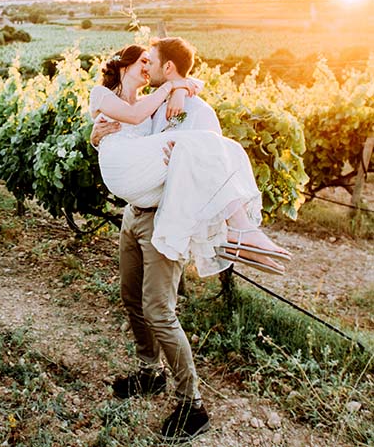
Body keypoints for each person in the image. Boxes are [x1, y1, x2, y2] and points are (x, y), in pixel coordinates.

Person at [88, 37, 290, 442]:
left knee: (159, 309)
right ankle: (150, 373)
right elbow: (119, 137)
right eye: (142, 63)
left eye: (153, 63)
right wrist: (97, 135)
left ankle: (192, 404)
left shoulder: (196, 110)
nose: (147, 70)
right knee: (131, 298)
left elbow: (209, 160)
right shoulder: (148, 105)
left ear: (167, 69)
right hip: (134, 215)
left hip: (166, 218)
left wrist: (180, 145)